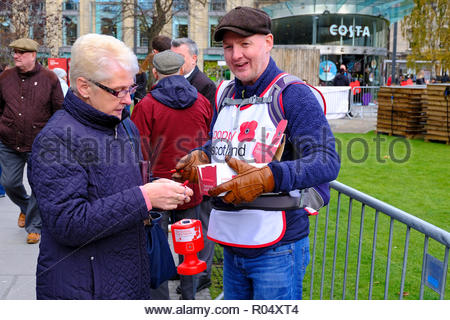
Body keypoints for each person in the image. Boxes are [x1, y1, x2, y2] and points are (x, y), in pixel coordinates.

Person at [173, 6, 340, 300]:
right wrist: (202, 155)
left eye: (245, 43)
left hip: (278, 248)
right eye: (228, 47)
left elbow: (326, 161)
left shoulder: (294, 95)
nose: (236, 54)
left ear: (268, 42)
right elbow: (225, 144)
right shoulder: (224, 94)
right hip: (233, 241)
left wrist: (268, 177)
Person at [28, 33, 193, 299]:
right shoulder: (56, 139)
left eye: (132, 88)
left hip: (125, 276)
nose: (128, 99)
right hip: (85, 288)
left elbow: (121, 190)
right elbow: (68, 223)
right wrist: (145, 197)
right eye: (119, 91)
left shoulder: (122, 123)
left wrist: (154, 189)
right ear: (83, 87)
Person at [131, 51, 212, 299]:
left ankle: (159, 300)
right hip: (191, 184)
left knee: (155, 243)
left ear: (155, 72)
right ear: (181, 70)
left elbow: (139, 148)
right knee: (189, 245)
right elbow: (209, 141)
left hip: (158, 186)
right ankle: (189, 295)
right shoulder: (202, 101)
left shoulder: (146, 105)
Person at [0, 38, 64, 244]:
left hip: (40, 142)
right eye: (15, 52)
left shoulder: (50, 78)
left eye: (21, 52)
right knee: (9, 183)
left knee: (38, 185)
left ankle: (34, 226)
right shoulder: (5, 77)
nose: (16, 55)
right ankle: (25, 208)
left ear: (33, 55)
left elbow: (60, 110)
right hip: (9, 140)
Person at [171, 37, 217, 293]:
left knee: (204, 220)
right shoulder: (178, 82)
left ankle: (202, 274)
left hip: (202, 161)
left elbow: (209, 127)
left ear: (194, 59)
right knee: (191, 223)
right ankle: (192, 271)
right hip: (184, 161)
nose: (176, 62)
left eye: (180, 57)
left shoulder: (204, 85)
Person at [171, 38, 217, 109]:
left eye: (179, 57)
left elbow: (209, 117)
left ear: (194, 59)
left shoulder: (206, 86)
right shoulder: (168, 81)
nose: (174, 61)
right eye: (172, 57)